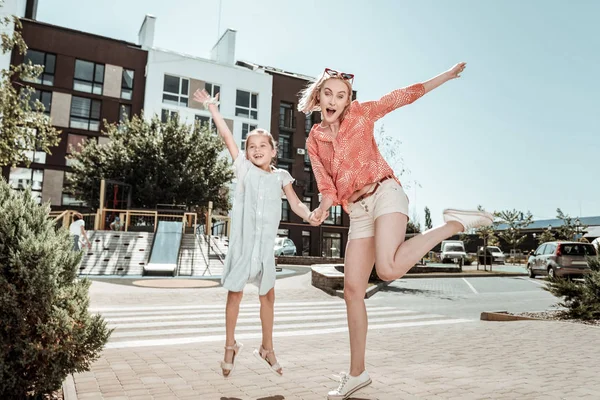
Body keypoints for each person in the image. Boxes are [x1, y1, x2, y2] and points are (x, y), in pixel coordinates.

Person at [299, 63, 494, 399]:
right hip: (357, 212)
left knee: (387, 268)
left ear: (348, 101)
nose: (333, 100)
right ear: (319, 96)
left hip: (385, 193)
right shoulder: (314, 139)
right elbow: (327, 188)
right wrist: (319, 210)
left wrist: (445, 76)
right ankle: (357, 374)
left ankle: (452, 225)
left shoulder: (361, 114)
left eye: (341, 95)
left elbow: (403, 96)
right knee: (352, 292)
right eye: (328, 93)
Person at [192, 88, 327, 378]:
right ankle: (230, 345)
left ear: (273, 150)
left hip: (265, 252)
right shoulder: (243, 169)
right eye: (251, 145)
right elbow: (227, 137)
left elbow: (295, 204)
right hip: (242, 248)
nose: (256, 150)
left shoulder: (281, 177)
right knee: (234, 295)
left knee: (268, 298)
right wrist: (213, 108)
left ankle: (267, 347)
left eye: (261, 145)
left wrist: (312, 215)